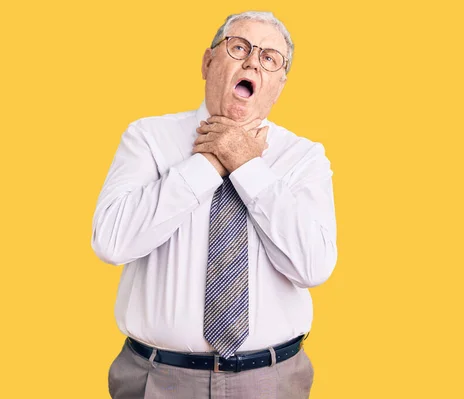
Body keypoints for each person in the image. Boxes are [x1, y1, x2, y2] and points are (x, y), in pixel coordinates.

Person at [91, 10, 337, 399]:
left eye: (269, 58)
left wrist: (247, 166)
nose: (253, 61)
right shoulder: (148, 138)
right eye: (239, 47)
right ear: (208, 62)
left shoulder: (304, 158)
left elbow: (313, 267)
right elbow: (111, 241)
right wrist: (208, 163)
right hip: (158, 378)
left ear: (279, 83)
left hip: (270, 380)